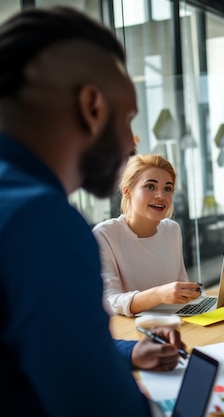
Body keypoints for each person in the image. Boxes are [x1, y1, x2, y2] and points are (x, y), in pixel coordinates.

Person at [0, 7, 179, 416]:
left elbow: (41, 346)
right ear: (92, 107)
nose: (131, 147)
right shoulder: (41, 221)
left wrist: (128, 353)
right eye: (129, 118)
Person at [93, 153, 201, 317]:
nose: (161, 196)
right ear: (127, 192)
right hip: (131, 330)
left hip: (173, 322)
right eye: (150, 186)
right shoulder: (105, 235)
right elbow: (109, 300)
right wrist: (158, 295)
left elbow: (181, 284)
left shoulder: (172, 230)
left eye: (168, 188)